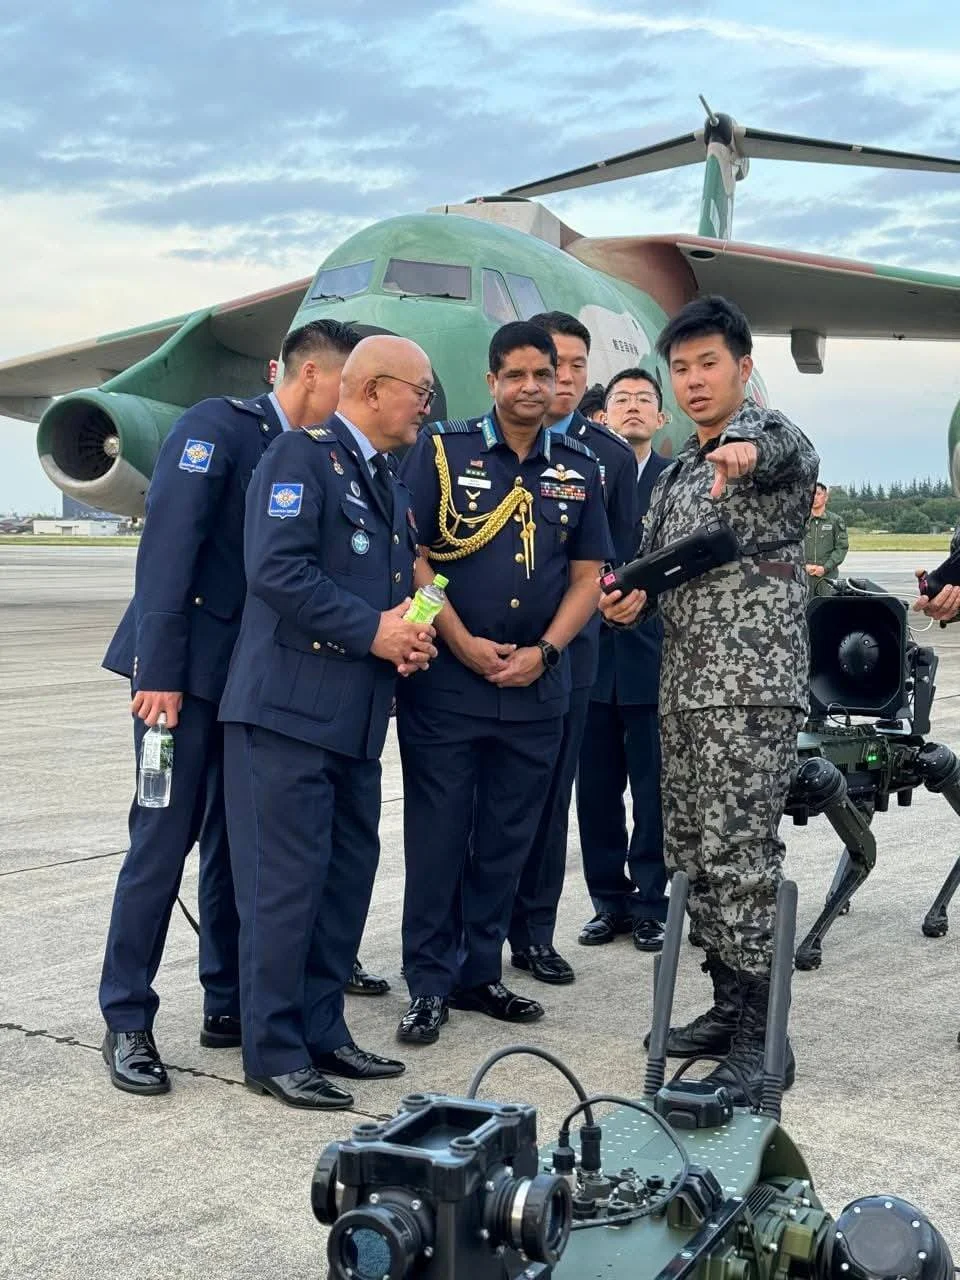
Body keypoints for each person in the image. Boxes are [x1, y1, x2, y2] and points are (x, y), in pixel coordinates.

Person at [98, 318, 361, 1096]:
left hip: (251, 689)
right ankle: (127, 1017)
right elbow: (168, 547)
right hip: (179, 684)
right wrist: (159, 670)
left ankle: (226, 1001)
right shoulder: (220, 427)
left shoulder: (318, 456)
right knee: (161, 842)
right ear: (311, 375)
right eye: (347, 383)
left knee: (231, 847)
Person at [599, 295, 819, 1103]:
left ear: (742, 369)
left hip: (750, 693)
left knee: (740, 858)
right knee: (691, 855)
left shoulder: (768, 442)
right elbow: (651, 569)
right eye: (681, 368)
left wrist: (747, 451)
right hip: (685, 692)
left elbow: (786, 448)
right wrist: (629, 600)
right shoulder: (675, 474)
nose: (693, 381)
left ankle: (765, 1039)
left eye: (709, 365)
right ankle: (729, 1005)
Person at [218, 335, 437, 1109]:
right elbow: (277, 571)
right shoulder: (300, 457)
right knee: (284, 889)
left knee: (342, 883)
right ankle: (274, 1051)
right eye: (420, 392)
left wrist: (406, 636)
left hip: (352, 721)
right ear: (372, 389)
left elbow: (380, 593)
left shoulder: (385, 479)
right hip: (286, 716)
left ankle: (322, 1031)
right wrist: (372, 630)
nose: (426, 407)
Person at [395, 321, 613, 1045]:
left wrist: (547, 652)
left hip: (534, 689)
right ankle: (428, 982)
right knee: (438, 837)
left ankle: (479, 972)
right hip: (448, 687)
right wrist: (457, 640)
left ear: (560, 381)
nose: (530, 387)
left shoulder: (580, 466)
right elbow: (415, 556)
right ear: (491, 381)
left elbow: (588, 577)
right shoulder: (442, 451)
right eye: (515, 375)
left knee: (505, 839)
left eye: (542, 375)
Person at [505, 313, 640, 984]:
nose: (560, 377)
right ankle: (469, 935)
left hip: (570, 658)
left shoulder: (607, 458)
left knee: (551, 801)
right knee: (480, 804)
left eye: (574, 365)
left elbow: (619, 560)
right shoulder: (473, 445)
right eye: (550, 363)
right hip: (484, 653)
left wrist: (620, 601)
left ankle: (532, 933)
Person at [576, 367, 670, 951]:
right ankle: (607, 902)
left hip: (653, 656)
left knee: (653, 793)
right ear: (602, 415)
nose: (632, 407)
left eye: (643, 399)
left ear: (661, 417)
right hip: (590, 661)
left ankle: (651, 903)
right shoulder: (581, 475)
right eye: (621, 400)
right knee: (596, 794)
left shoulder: (675, 481)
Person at [804, 482, 848, 595]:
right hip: (804, 577)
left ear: (826, 497)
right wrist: (804, 566)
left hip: (827, 578)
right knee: (804, 606)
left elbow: (841, 548)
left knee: (827, 605)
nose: (814, 497)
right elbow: (794, 547)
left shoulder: (835, 521)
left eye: (818, 494)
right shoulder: (801, 521)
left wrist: (825, 568)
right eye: (812, 494)